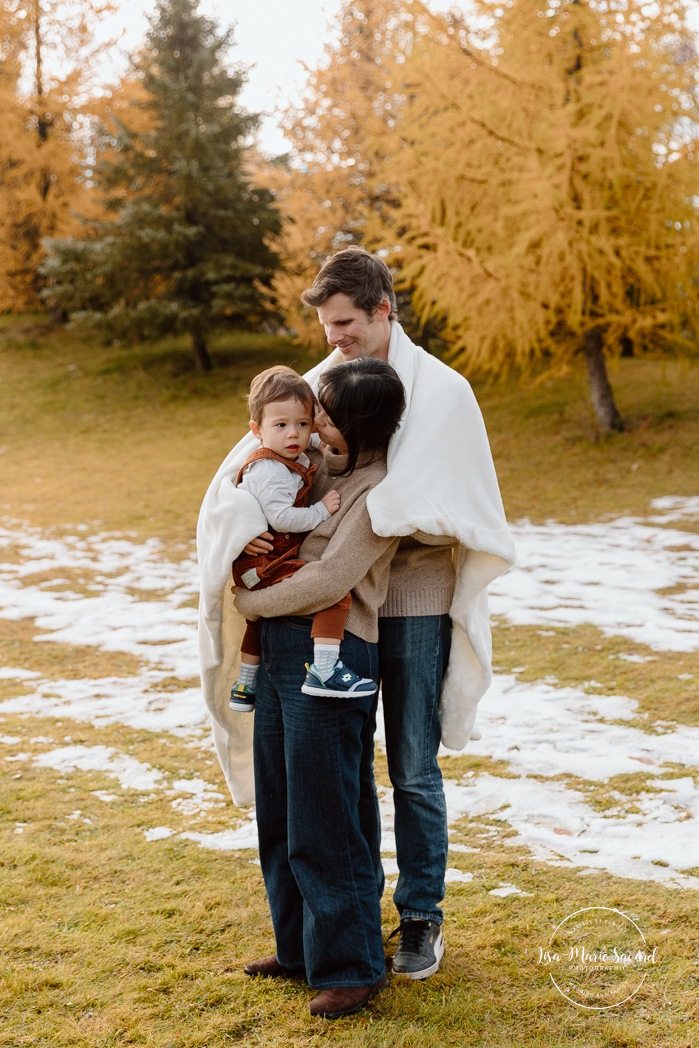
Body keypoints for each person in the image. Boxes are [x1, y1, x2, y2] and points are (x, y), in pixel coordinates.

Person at [196, 247, 514, 987]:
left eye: (343, 323)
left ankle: (419, 915)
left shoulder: (441, 393)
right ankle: (331, 932)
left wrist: (376, 520)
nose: (332, 337)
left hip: (407, 600)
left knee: (408, 762)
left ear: (381, 311)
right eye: (324, 325)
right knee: (329, 774)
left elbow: (438, 498)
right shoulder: (326, 382)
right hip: (324, 599)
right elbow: (280, 457)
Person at [234, 357, 406, 1018]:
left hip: (332, 656)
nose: (315, 424)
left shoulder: (378, 491)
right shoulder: (310, 467)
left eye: (327, 415)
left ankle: (353, 964)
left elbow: (330, 580)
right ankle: (300, 947)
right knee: (279, 806)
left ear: (358, 425)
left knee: (324, 815)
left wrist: (249, 603)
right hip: (282, 650)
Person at [229, 364, 377, 713]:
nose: (294, 435)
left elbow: (304, 438)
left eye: (303, 424)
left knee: (256, 622)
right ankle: (325, 670)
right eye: (281, 426)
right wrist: (320, 512)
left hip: (256, 563)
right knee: (334, 596)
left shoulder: (286, 450)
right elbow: (281, 517)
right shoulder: (269, 470)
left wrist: (313, 435)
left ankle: (245, 685)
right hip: (267, 559)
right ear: (256, 430)